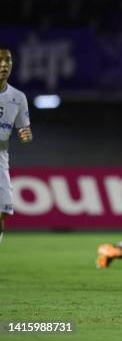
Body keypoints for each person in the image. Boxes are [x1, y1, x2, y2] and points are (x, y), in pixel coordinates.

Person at [0, 48, 33, 243]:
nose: (4, 65)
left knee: (2, 212)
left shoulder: (18, 97)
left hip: (1, 159)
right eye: (0, 60)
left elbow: (24, 129)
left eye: (8, 61)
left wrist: (25, 134)